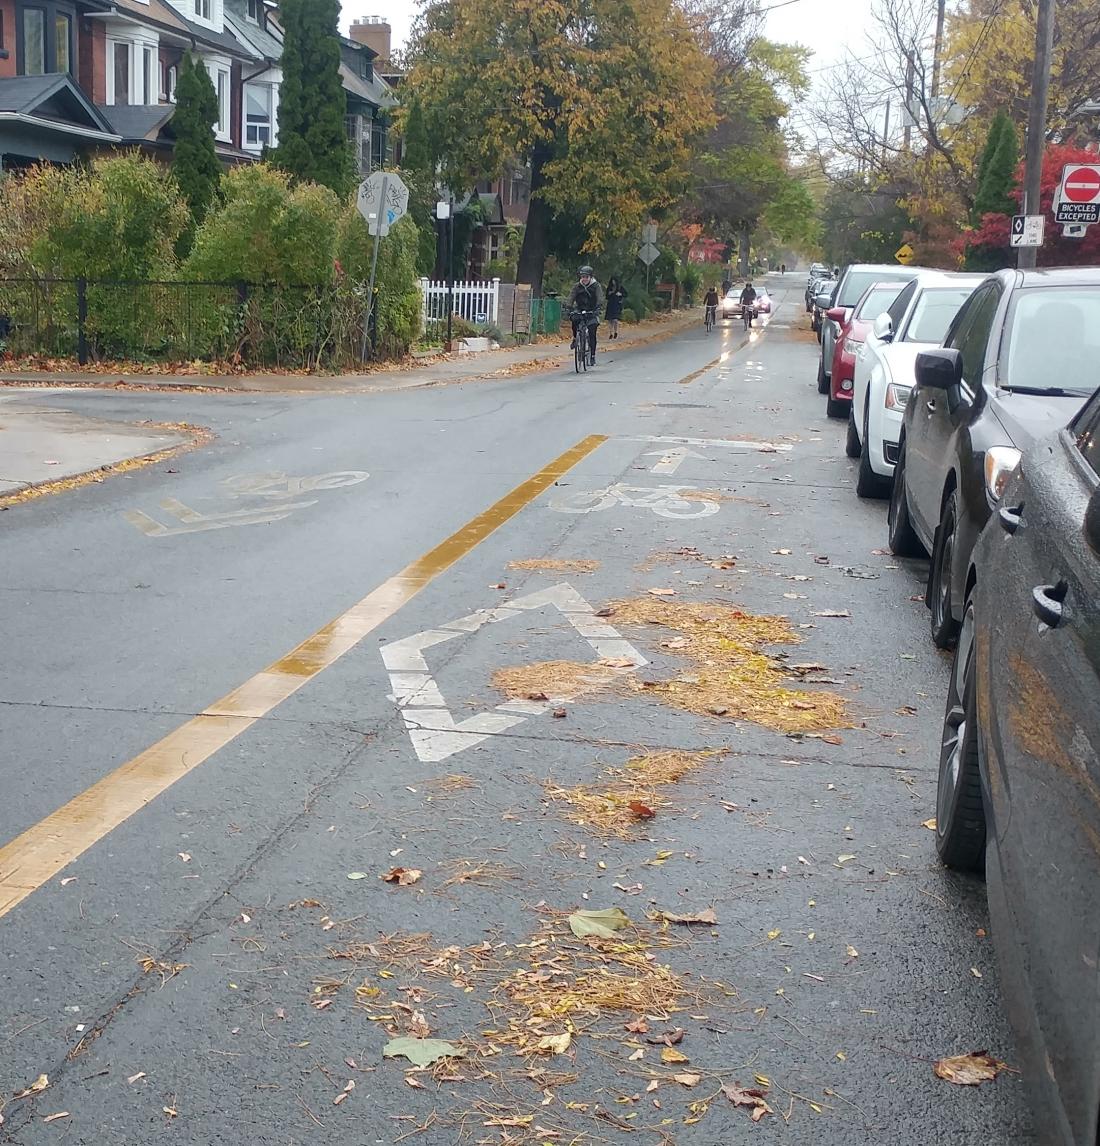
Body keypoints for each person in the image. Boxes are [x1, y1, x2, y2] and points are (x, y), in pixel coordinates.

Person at [567, 266, 604, 362]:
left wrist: (598, 307)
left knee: (592, 330)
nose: (584, 279)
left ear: (590, 277)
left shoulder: (596, 286)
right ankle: (575, 338)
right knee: (574, 319)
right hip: (580, 309)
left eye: (586, 277)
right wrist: (569, 306)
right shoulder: (577, 286)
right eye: (582, 277)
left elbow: (600, 298)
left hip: (592, 310)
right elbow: (571, 296)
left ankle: (592, 355)